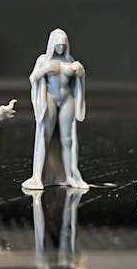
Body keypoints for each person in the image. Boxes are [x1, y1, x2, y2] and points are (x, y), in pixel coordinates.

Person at [22, 29, 88, 190]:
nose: (60, 48)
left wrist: (80, 73)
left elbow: (78, 82)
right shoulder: (43, 60)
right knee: (45, 135)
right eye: (58, 45)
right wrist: (44, 70)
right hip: (50, 97)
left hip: (67, 99)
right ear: (52, 45)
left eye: (63, 45)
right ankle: (38, 176)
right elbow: (33, 78)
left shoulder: (70, 60)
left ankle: (70, 176)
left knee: (68, 139)